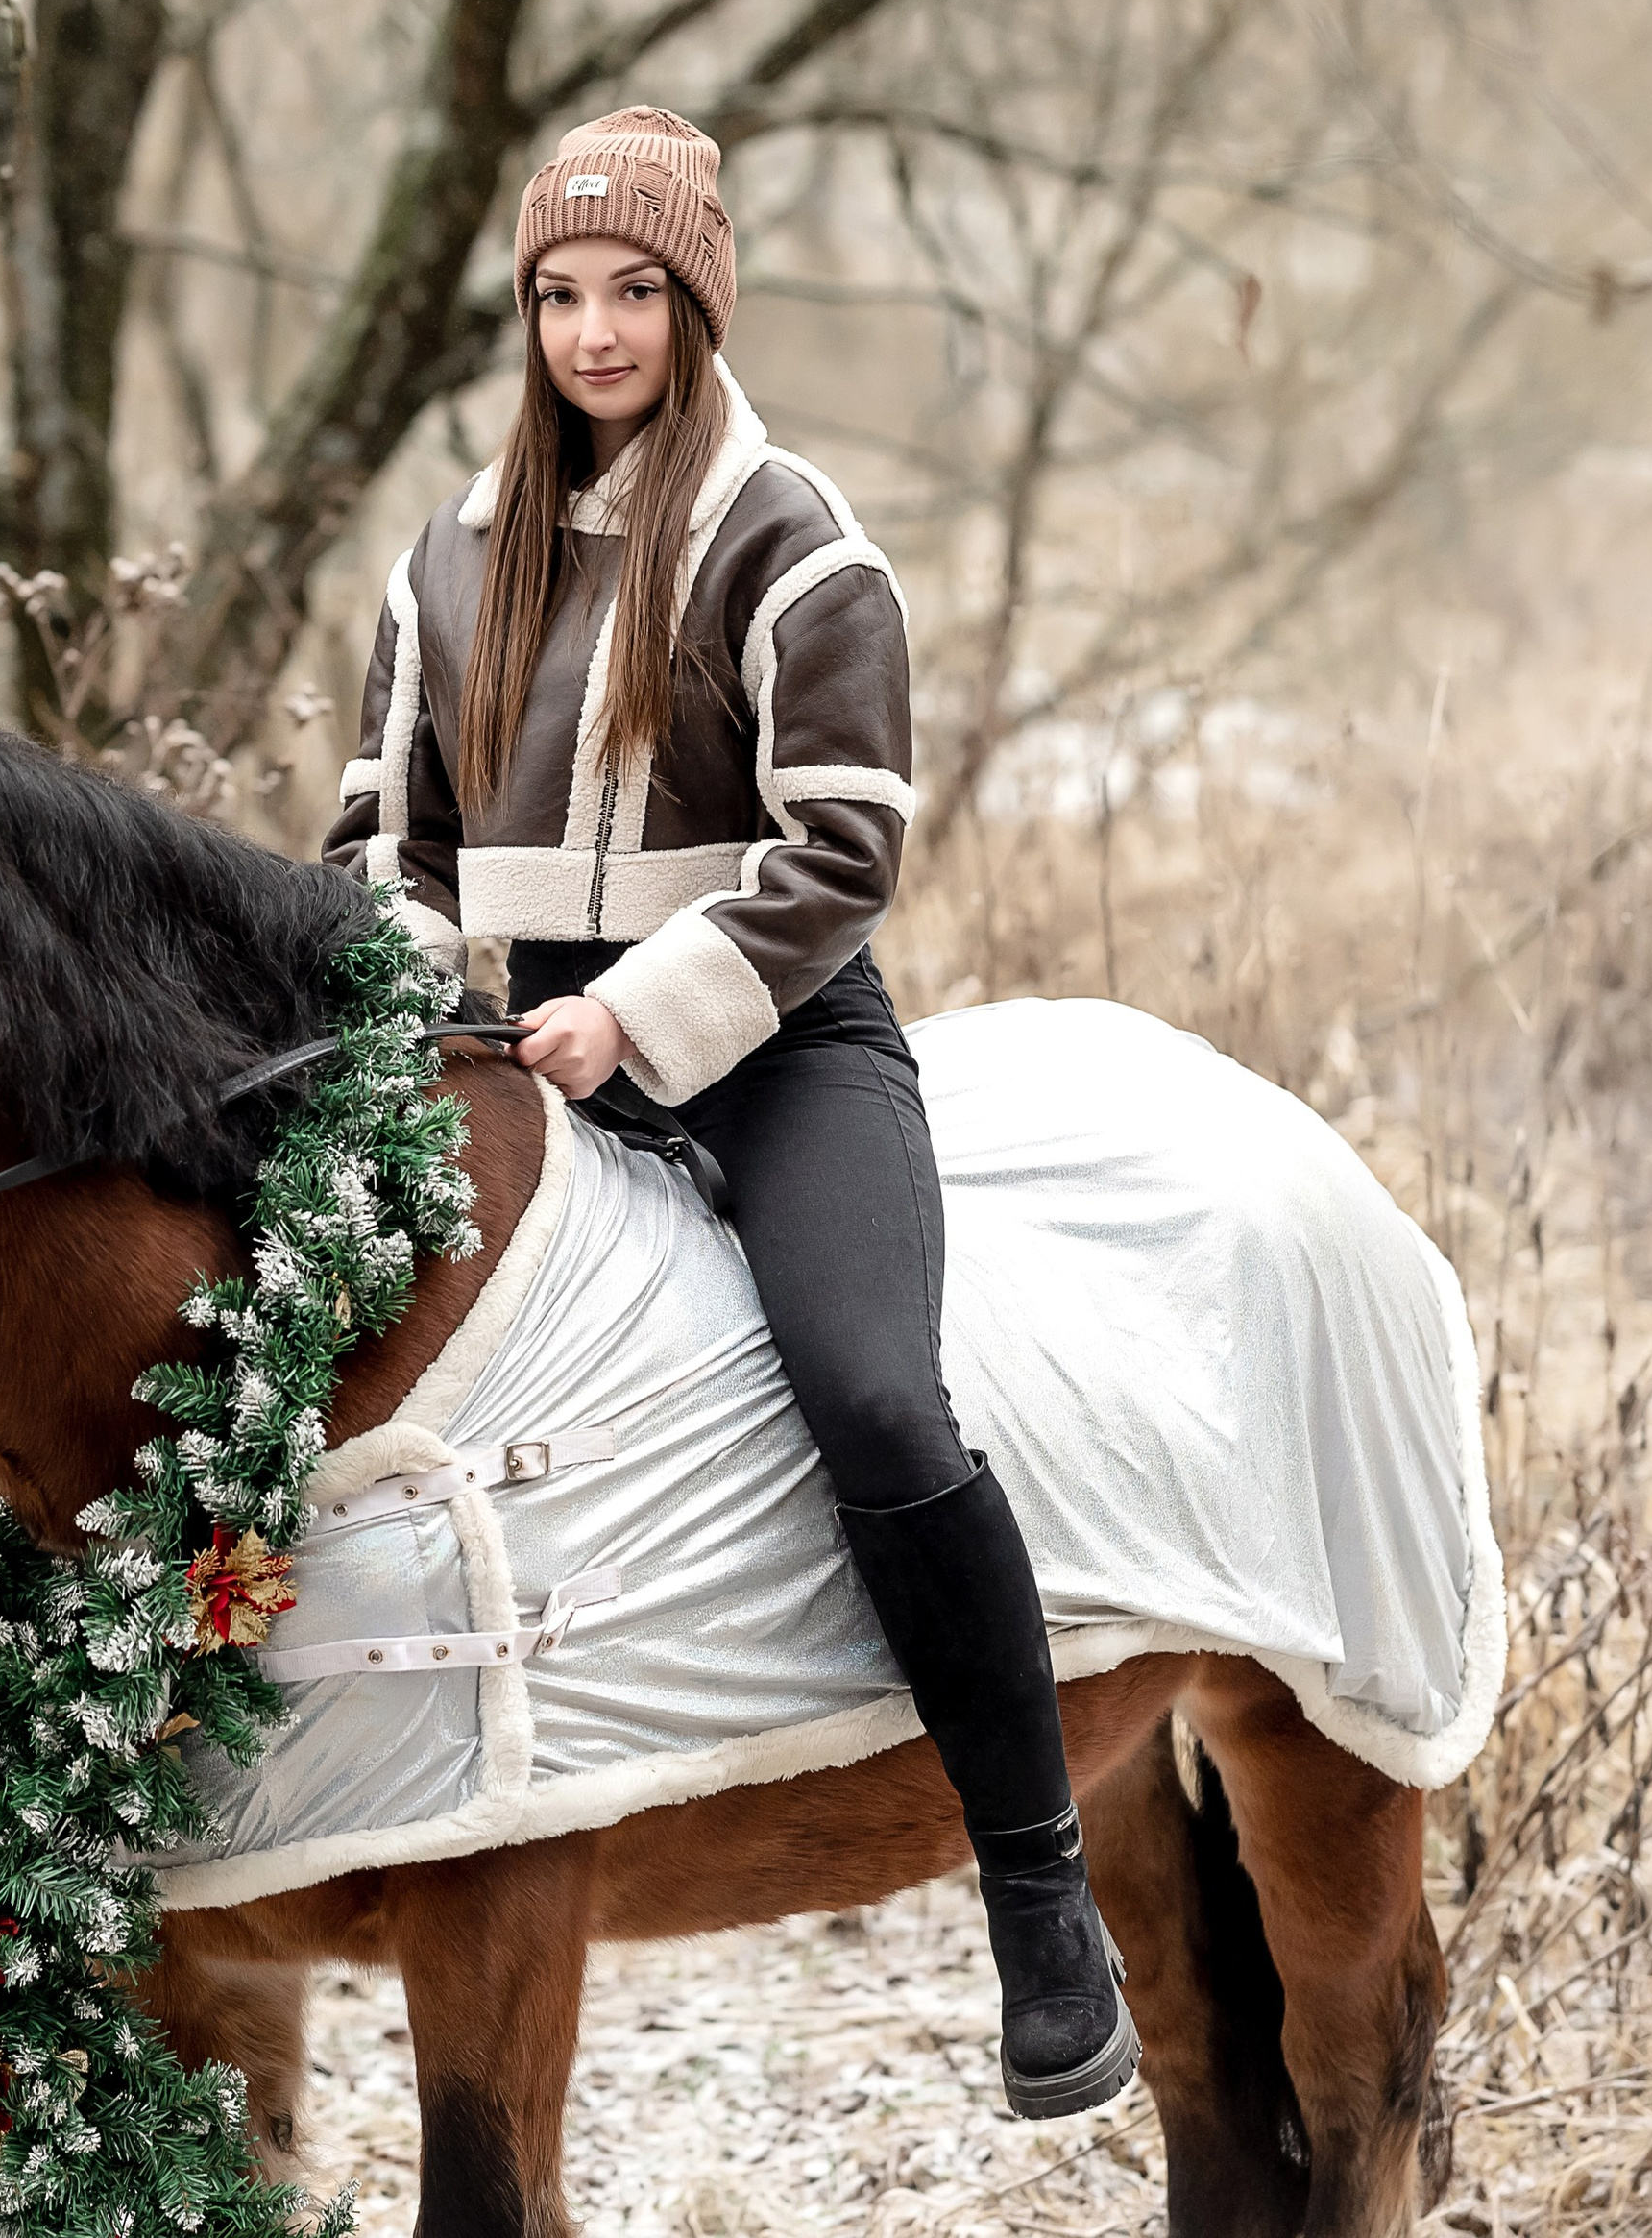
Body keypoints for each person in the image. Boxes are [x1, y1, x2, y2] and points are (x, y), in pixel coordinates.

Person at [323, 106, 1136, 2118]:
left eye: (631, 291)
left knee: (871, 1392)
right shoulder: (445, 559)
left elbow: (842, 844)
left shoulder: (793, 543)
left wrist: (635, 1012)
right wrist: (437, 983)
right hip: (504, 1062)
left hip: (773, 1048)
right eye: (556, 293)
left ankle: (1036, 1887)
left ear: (694, 303)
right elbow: (374, 834)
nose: (592, 329)